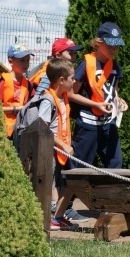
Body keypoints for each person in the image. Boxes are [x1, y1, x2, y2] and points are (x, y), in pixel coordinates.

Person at [66, 22, 128, 222]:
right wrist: (95, 104)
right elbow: (71, 93)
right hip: (88, 124)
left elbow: (113, 92)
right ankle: (65, 208)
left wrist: (120, 101)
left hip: (108, 124)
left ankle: (109, 205)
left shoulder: (115, 66)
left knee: (115, 164)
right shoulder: (86, 63)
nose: (114, 48)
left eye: (117, 45)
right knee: (79, 167)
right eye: (110, 44)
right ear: (98, 42)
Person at [33, 58, 79, 230]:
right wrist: (62, 144)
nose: (74, 81)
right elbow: (43, 128)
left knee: (68, 184)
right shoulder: (48, 100)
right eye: (72, 78)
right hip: (52, 151)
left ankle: (58, 217)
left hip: (64, 151)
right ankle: (50, 219)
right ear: (61, 80)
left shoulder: (63, 97)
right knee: (51, 186)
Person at [0, 43, 34, 139]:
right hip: (3, 131)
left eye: (28, 60)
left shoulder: (29, 85)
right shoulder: (4, 82)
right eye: (22, 60)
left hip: (22, 130)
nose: (26, 64)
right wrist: (16, 109)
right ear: (11, 61)